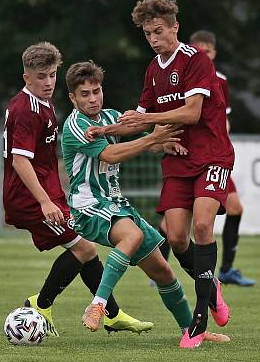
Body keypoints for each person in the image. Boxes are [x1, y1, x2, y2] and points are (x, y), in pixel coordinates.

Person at [62, 60, 230, 345]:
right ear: (73, 98)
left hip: (116, 203)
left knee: (163, 271)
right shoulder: (77, 125)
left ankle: (193, 330)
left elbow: (146, 141)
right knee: (133, 234)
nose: (92, 99)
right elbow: (112, 154)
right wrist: (153, 136)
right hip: (89, 205)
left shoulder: (111, 118)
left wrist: (163, 144)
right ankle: (98, 304)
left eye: (96, 91)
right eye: (85, 94)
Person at [3, 42, 152, 336]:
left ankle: (111, 314)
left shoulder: (44, 104)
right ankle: (40, 305)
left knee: (86, 250)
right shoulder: (25, 109)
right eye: (41, 76)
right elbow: (20, 161)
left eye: (52, 75)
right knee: (84, 247)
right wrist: (46, 202)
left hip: (46, 193)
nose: (48, 82)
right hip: (30, 198)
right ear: (26, 78)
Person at [119, 0, 234, 348]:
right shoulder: (153, 70)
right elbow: (138, 122)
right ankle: (210, 285)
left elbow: (192, 114)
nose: (154, 39)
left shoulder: (196, 60)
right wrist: (102, 130)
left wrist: (148, 121)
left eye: (158, 31)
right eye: (147, 34)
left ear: (174, 27)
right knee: (176, 236)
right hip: (179, 161)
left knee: (202, 226)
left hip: (212, 155)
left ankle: (198, 321)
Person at [159, 30, 256, 286]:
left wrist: (219, 143)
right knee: (173, 226)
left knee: (229, 211)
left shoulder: (219, 80)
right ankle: (162, 269)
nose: (203, 54)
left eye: (208, 50)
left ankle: (225, 270)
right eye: (198, 49)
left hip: (212, 157)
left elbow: (221, 120)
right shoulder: (176, 75)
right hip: (186, 157)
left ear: (214, 53)